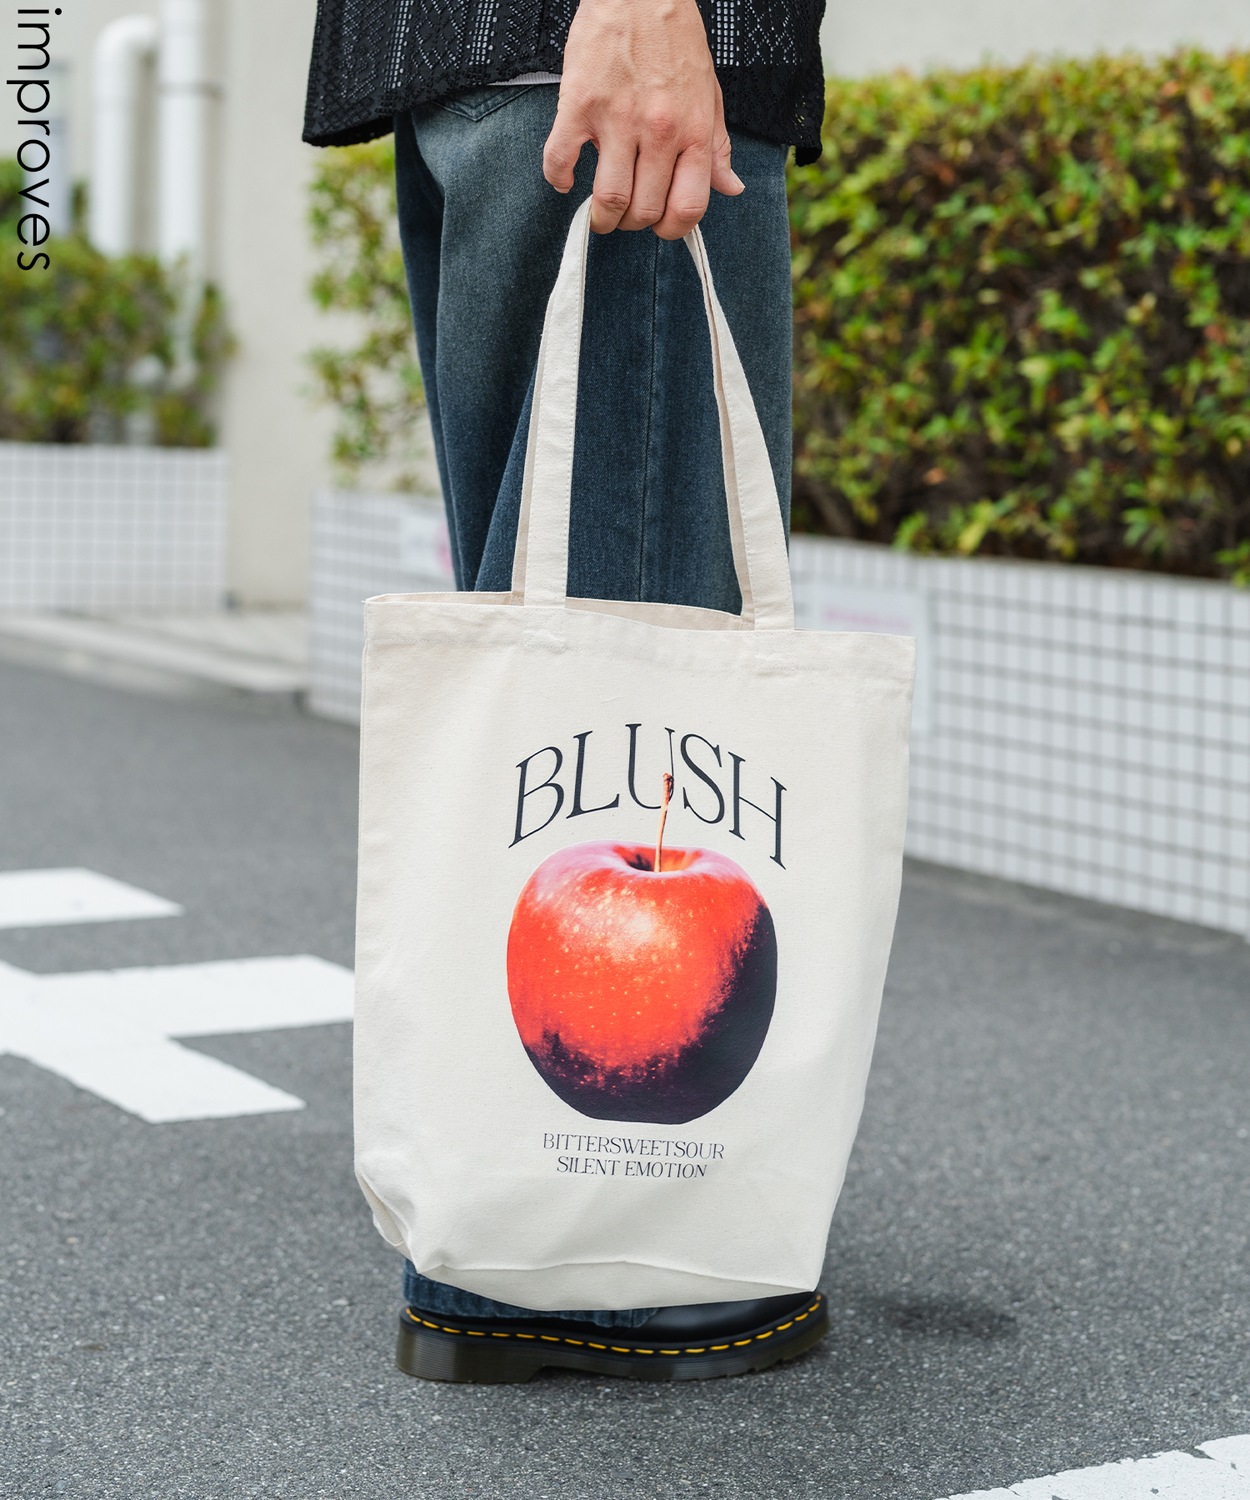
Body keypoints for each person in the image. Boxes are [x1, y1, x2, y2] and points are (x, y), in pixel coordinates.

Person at [304, 0, 830, 1382]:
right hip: (616, 58)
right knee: (633, 663)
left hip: (476, 66)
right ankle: (603, 1263)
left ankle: (514, 1216)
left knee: (556, 651)